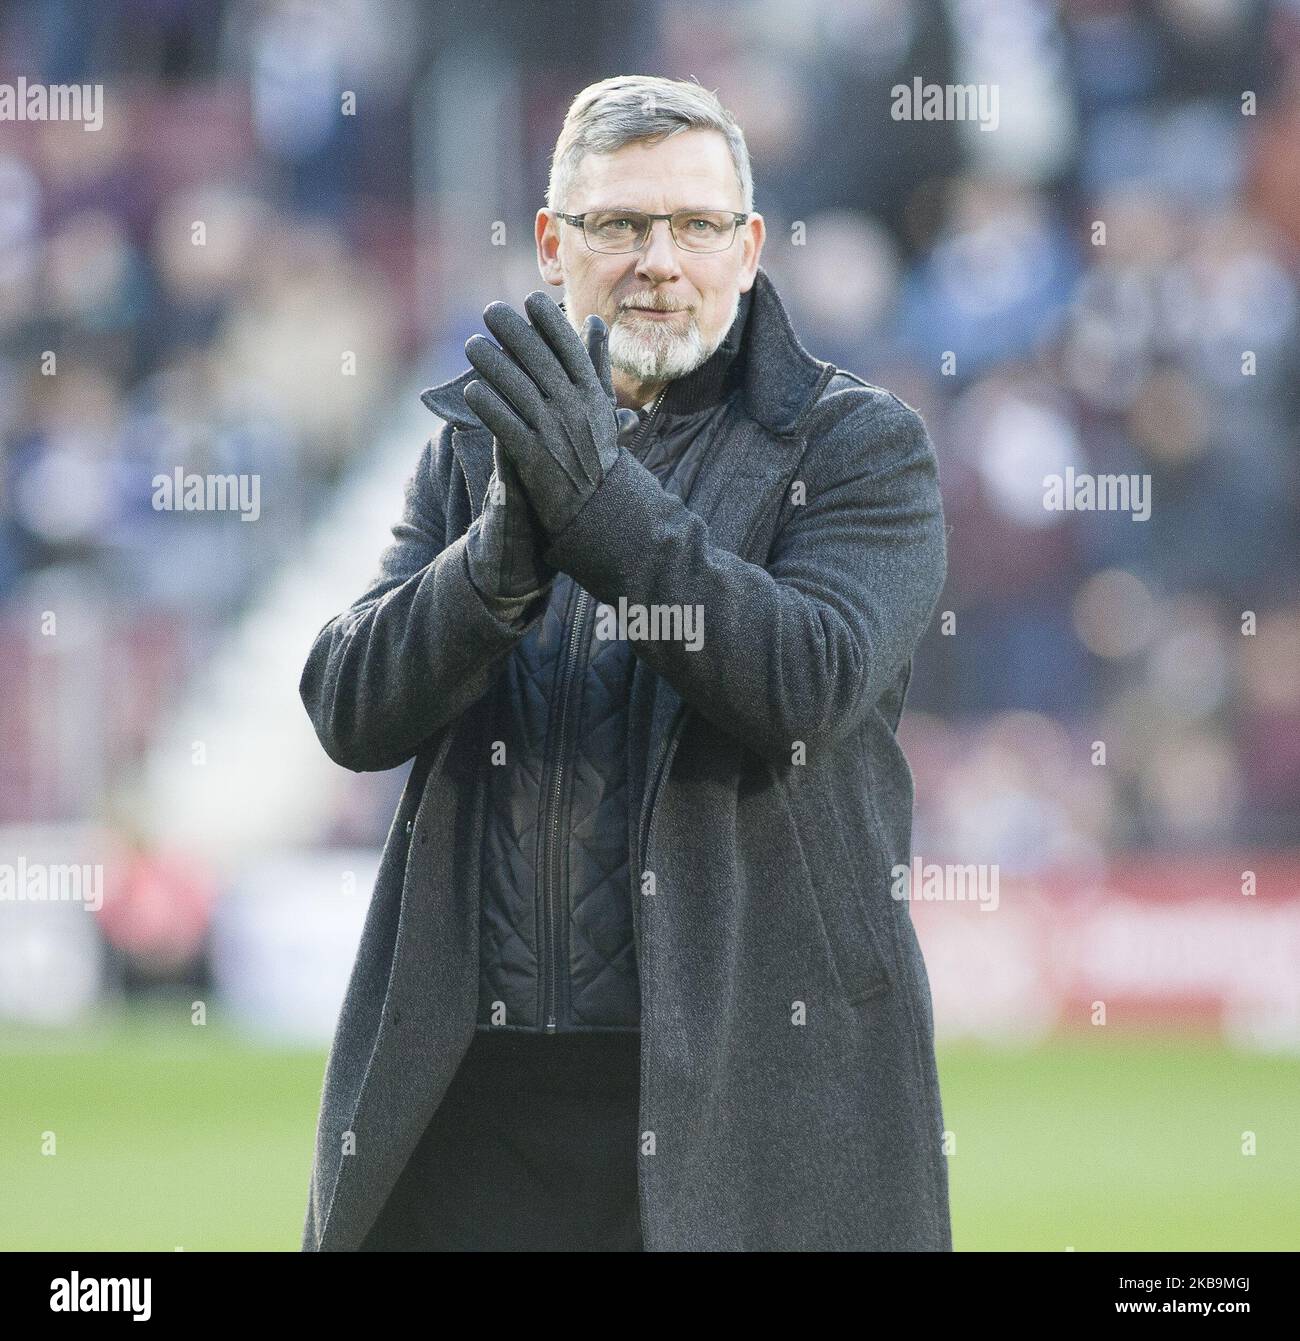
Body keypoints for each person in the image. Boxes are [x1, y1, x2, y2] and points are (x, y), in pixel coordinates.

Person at [299, 74, 951, 1252]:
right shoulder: (472, 445)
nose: (660, 258)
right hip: (472, 1101)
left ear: (748, 249)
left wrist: (593, 506)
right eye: (618, 224)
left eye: (696, 225)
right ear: (554, 246)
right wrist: (488, 573)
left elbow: (801, 683)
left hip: (753, 1093)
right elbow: (348, 706)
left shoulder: (858, 445)